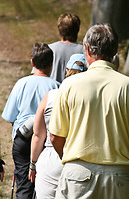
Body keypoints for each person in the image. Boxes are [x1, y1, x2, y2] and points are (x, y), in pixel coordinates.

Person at [49, 24, 129, 198]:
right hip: (120, 177)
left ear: (87, 50)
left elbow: (55, 137)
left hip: (78, 175)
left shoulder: (68, 85)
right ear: (114, 52)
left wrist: (70, 161)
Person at [2, 43, 60, 199]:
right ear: (51, 64)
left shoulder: (21, 83)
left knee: (23, 182)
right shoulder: (57, 87)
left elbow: (10, 117)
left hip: (23, 139)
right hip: (46, 141)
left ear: (32, 62)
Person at [28, 54, 87, 199]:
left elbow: (37, 136)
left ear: (66, 70)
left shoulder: (51, 96)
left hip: (50, 160)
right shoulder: (91, 100)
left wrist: (33, 164)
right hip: (79, 160)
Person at [49, 13, 83, 83]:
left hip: (53, 92)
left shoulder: (49, 49)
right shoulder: (84, 52)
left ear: (59, 29)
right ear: (77, 30)